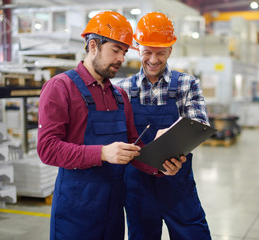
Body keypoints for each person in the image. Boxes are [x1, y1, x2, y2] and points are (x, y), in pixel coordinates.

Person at [37, 11, 184, 240]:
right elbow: (47, 148)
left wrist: (160, 165)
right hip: (77, 209)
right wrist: (103, 152)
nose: (121, 59)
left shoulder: (120, 96)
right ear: (93, 45)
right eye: (115, 50)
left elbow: (133, 148)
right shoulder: (60, 87)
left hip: (114, 209)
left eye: (124, 52)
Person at [117, 12, 212, 240]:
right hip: (138, 188)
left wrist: (172, 138)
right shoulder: (122, 89)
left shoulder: (187, 84)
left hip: (177, 183)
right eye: (147, 52)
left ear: (170, 50)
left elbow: (199, 123)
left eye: (160, 53)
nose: (153, 59)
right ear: (137, 47)